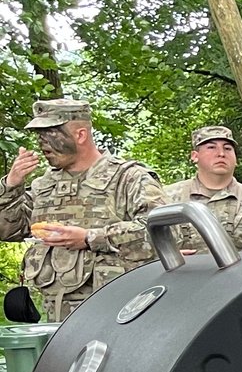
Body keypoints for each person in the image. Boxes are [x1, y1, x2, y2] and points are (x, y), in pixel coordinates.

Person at [1, 99, 161, 321]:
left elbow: (161, 232)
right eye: (39, 135)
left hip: (120, 318)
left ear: (81, 135)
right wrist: (11, 185)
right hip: (57, 325)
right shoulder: (44, 186)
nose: (42, 143)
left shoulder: (128, 178)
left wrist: (90, 238)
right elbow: (9, 230)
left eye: (50, 134)